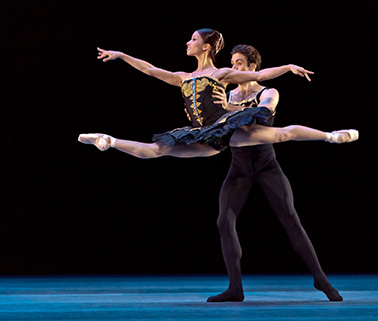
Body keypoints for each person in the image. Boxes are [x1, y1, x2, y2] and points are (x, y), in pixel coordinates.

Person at [78, 28, 358, 157]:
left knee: (282, 134)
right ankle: (109, 140)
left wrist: (288, 67)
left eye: (193, 39)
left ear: (207, 46)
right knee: (157, 150)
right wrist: (123, 55)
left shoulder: (219, 74)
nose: (188, 42)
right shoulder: (183, 78)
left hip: (226, 128)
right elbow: (150, 70)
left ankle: (331, 136)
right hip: (203, 135)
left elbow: (259, 74)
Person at [205, 44, 343, 303]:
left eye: (238, 63)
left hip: (267, 165)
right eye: (232, 63)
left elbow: (264, 114)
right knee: (224, 221)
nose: (233, 68)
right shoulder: (226, 94)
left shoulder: (268, 91)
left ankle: (320, 279)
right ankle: (235, 288)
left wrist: (229, 110)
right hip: (239, 168)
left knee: (291, 218)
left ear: (252, 67)